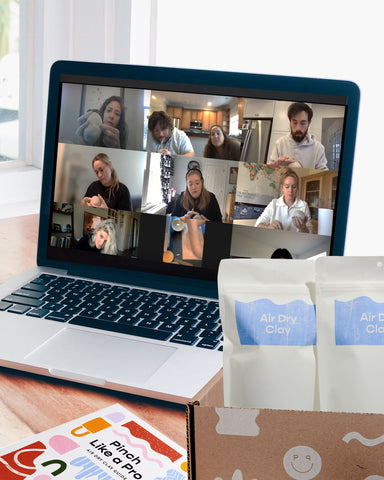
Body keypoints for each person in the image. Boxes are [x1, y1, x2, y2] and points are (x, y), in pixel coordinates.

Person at [268, 102, 328, 170]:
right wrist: (275, 166)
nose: (298, 128)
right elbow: (269, 172)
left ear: (309, 123)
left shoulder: (318, 148)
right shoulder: (279, 144)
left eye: (303, 123)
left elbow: (324, 175)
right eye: (294, 123)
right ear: (290, 122)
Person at [256, 167, 313, 233]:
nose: (290, 190)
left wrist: (303, 228)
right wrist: (268, 227)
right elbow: (257, 224)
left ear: (297, 188)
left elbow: (310, 232)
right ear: (282, 187)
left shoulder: (303, 205)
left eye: (294, 187)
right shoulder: (274, 204)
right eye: (287, 186)